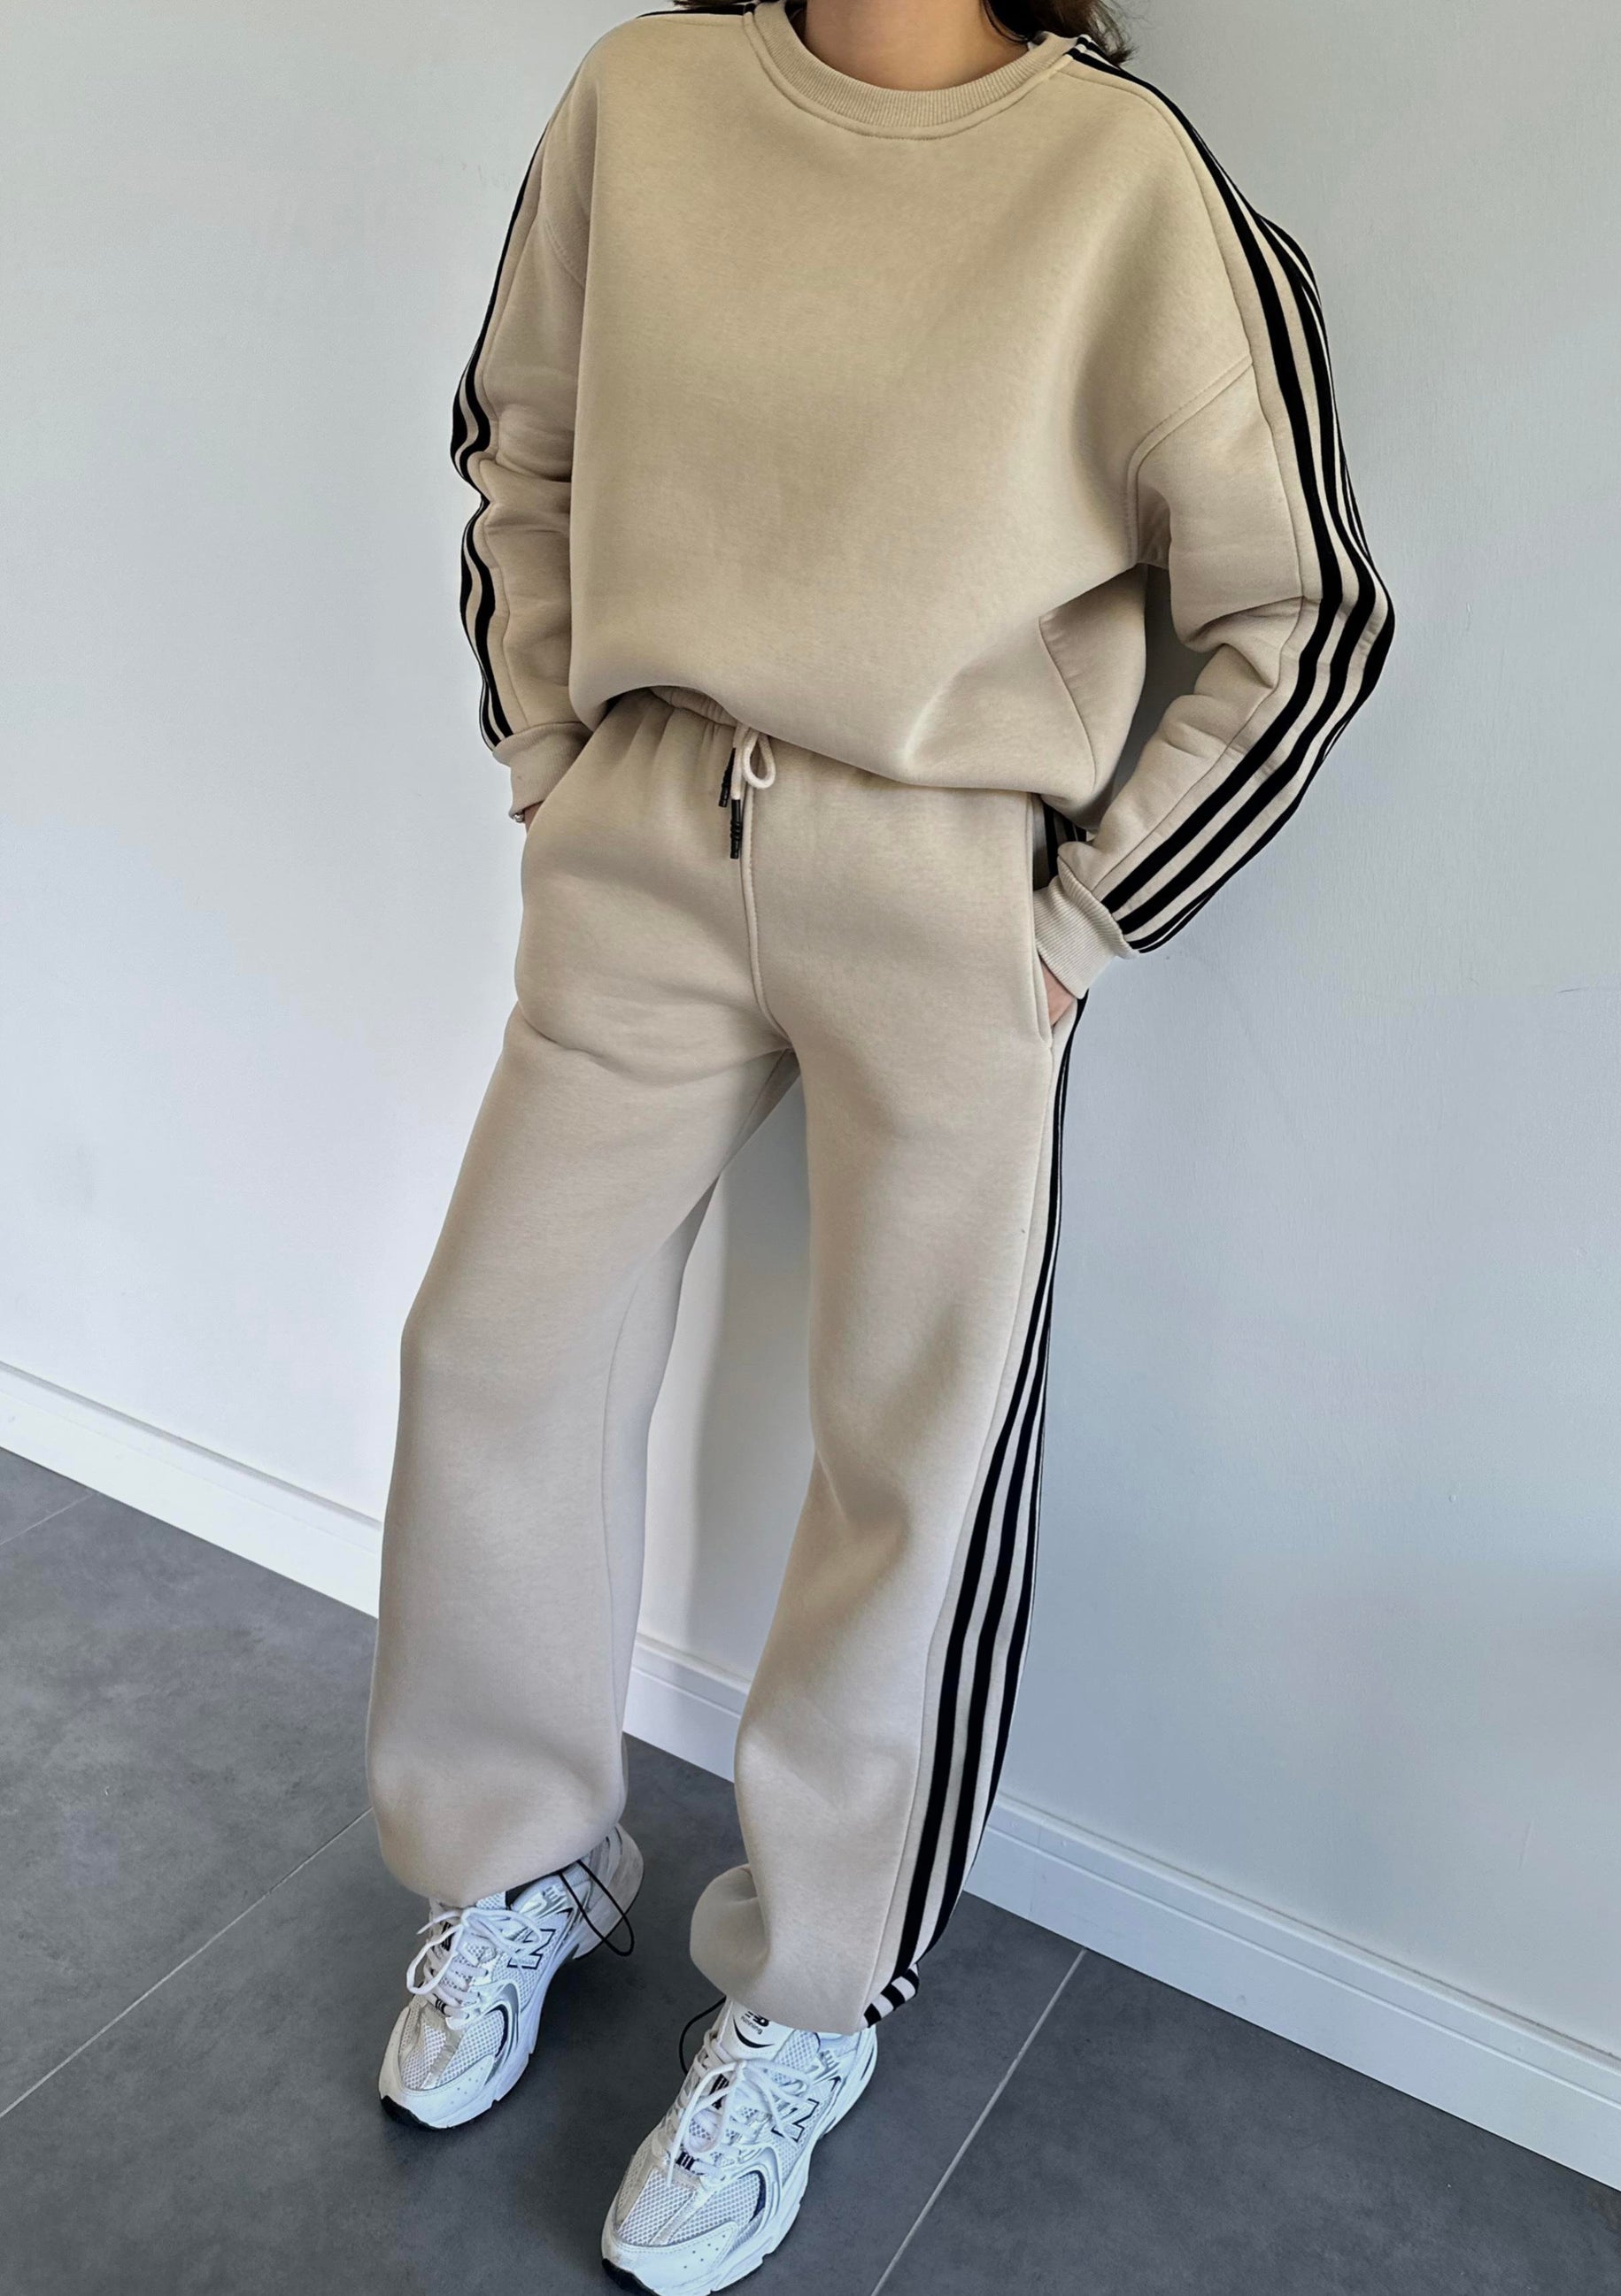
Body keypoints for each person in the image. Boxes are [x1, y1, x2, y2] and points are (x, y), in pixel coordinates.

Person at [365, 0, 1393, 2284]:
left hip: (950, 889)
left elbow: (1303, 608)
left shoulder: (1122, 178)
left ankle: (808, 1991)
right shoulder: (643, 99)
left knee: (907, 1454)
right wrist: (550, 758)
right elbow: (517, 440)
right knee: (494, 1351)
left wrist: (1077, 917)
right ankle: (520, 1856)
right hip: (645, 831)